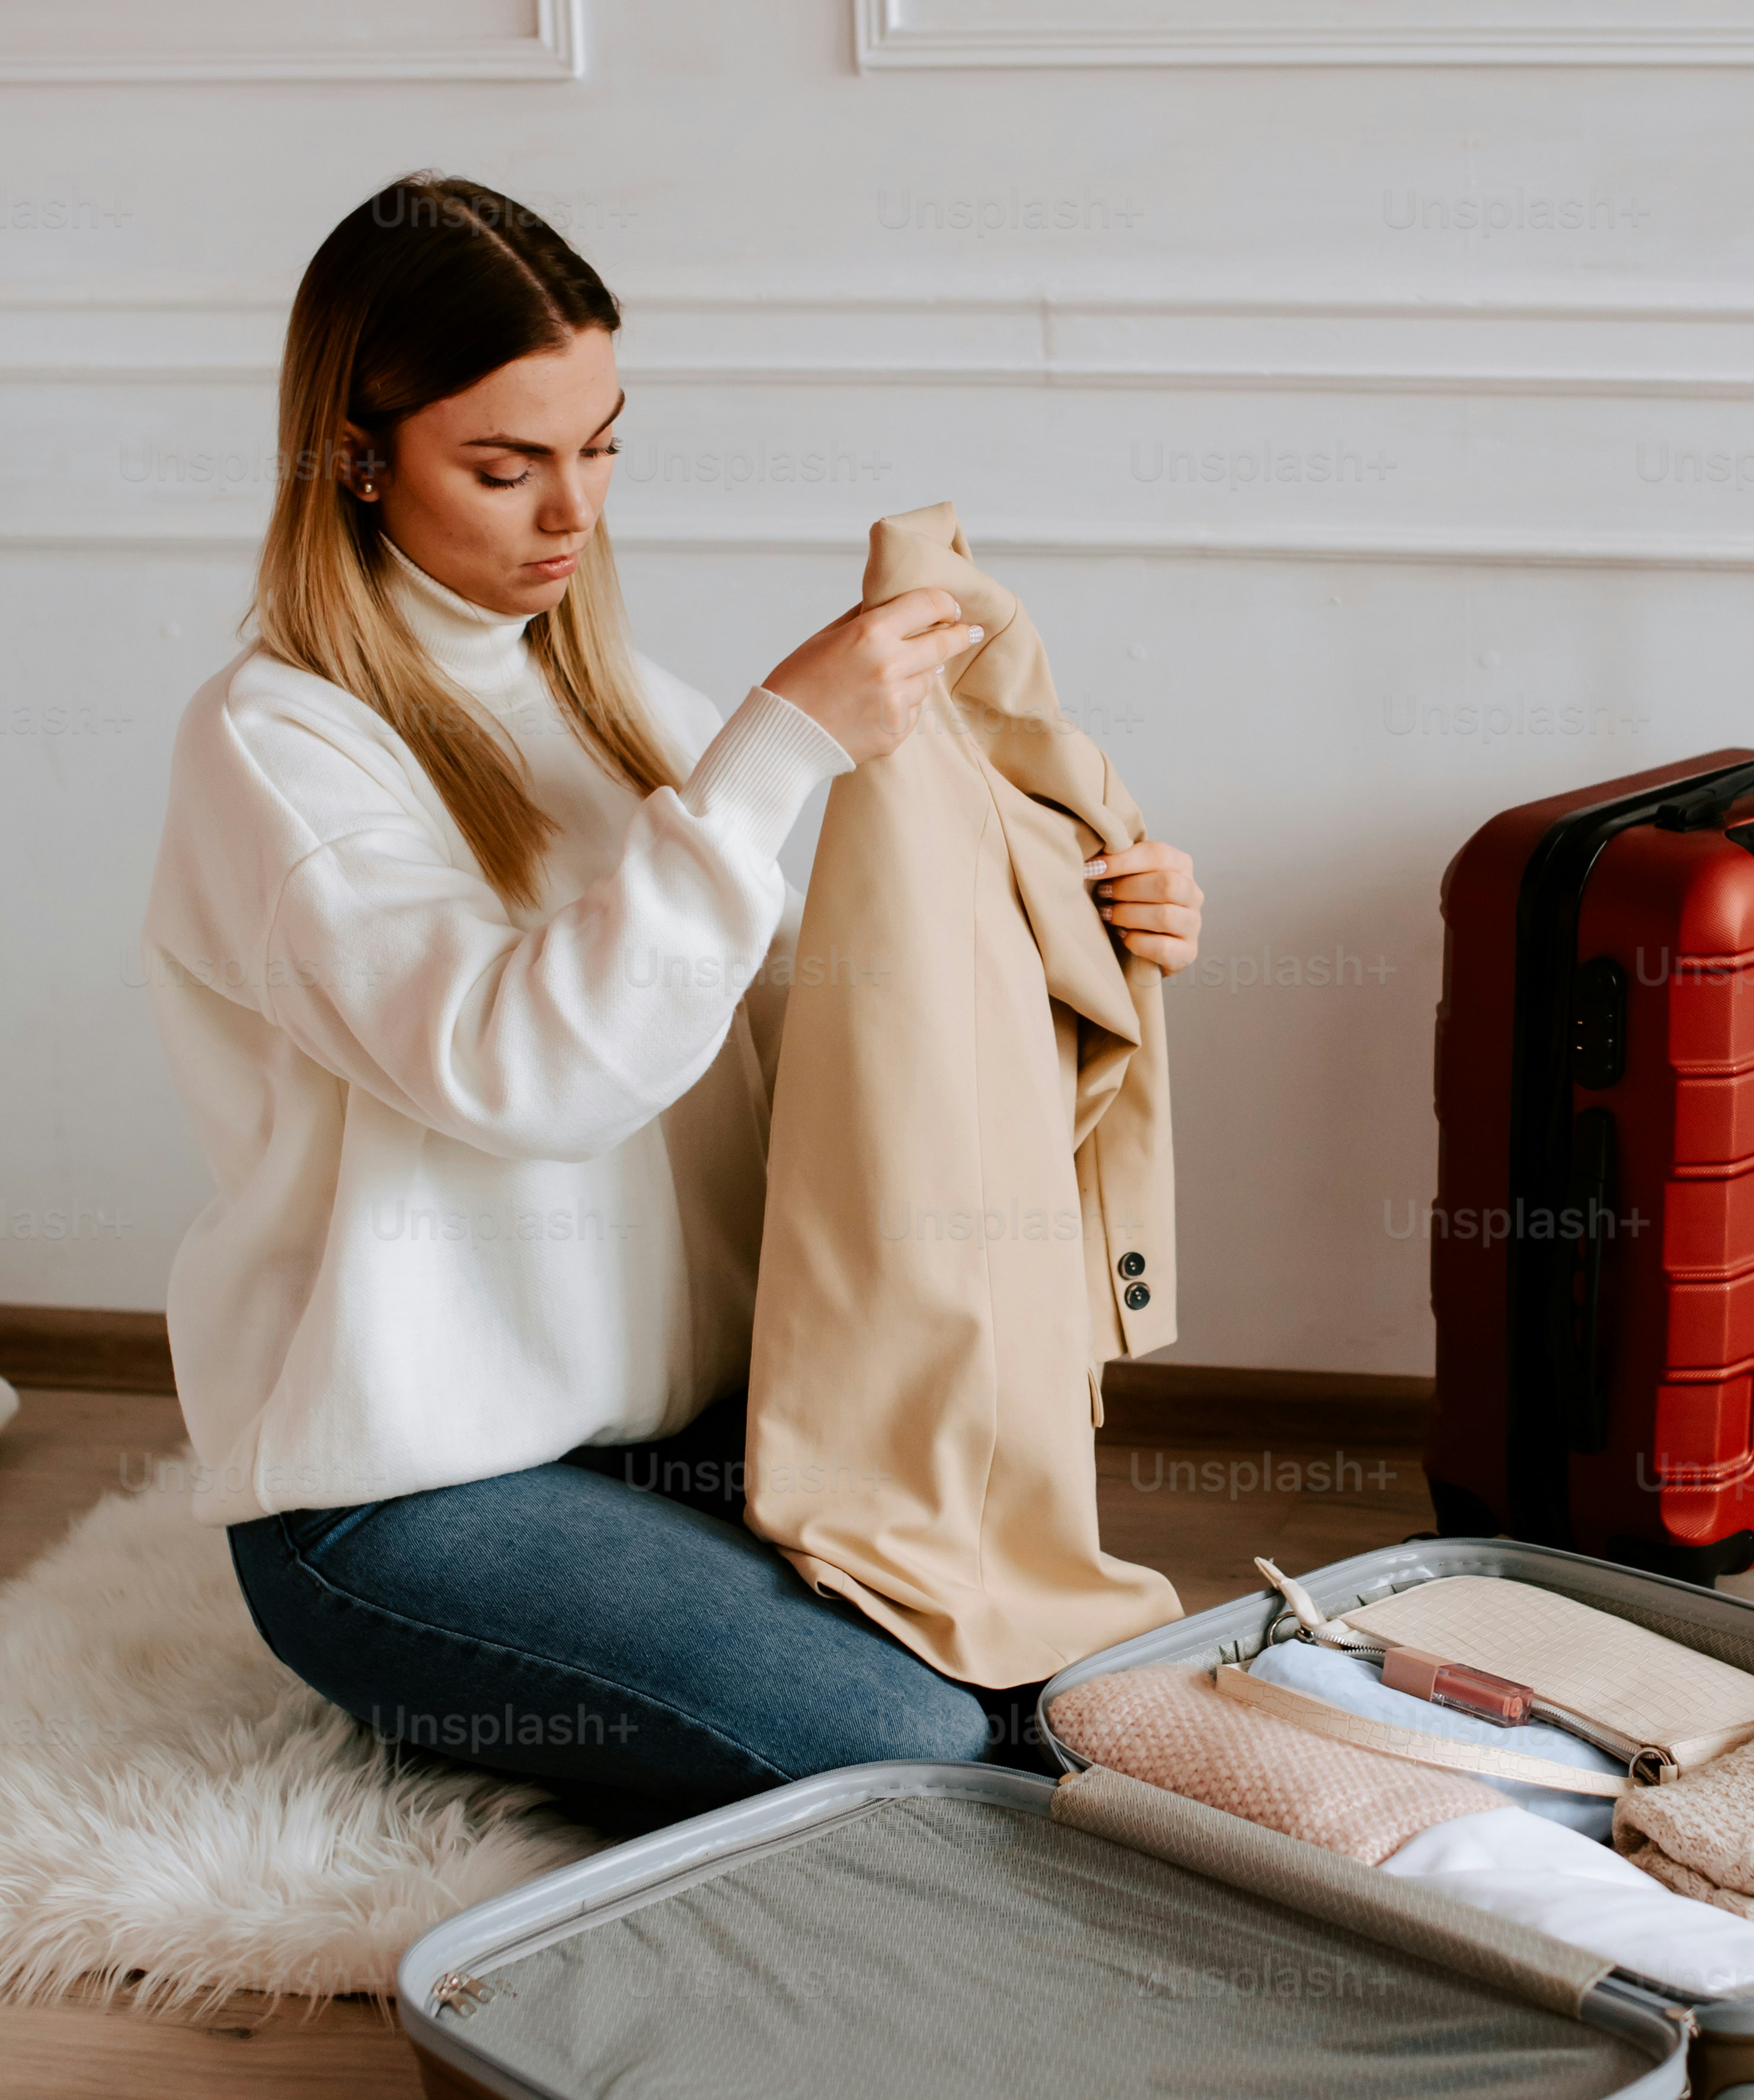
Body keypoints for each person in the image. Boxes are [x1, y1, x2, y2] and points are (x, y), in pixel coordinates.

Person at [142, 175, 1203, 1823]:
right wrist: (778, 747)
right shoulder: (279, 750)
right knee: (915, 1753)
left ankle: (1432, 1867)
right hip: (404, 1495)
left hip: (695, 1424)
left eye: (602, 446)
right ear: (357, 455)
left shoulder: (630, 706)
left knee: (1058, 1670)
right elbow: (527, 1076)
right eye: (504, 467)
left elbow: (820, 1046)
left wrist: (1073, 930)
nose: (572, 511)